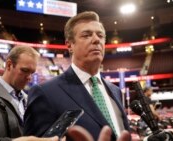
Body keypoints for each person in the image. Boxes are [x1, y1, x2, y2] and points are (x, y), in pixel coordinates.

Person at [23, 11, 130, 141]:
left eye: (100, 35)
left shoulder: (115, 91)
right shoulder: (45, 93)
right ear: (69, 45)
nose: (96, 40)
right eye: (86, 35)